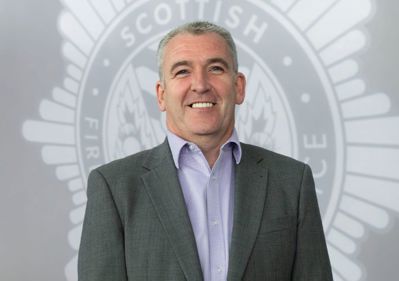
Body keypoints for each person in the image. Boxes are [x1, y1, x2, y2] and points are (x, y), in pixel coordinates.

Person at [78, 21, 333, 281]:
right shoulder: (114, 188)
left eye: (215, 68)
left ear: (239, 87)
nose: (200, 84)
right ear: (161, 95)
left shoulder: (292, 182)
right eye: (182, 71)